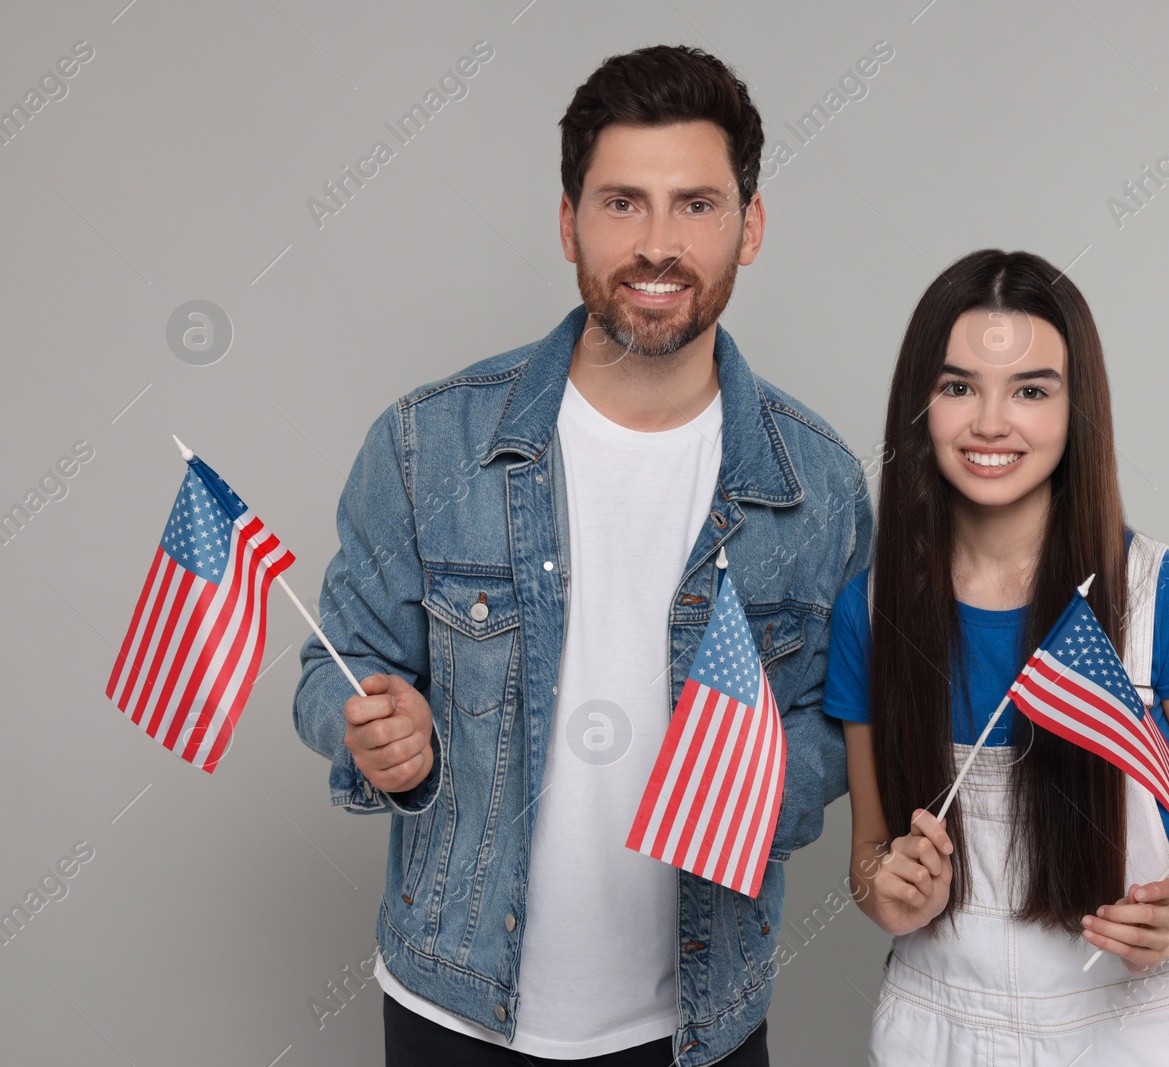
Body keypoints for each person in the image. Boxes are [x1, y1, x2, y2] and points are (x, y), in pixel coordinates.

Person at [292, 45, 872, 1067]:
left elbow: (844, 715)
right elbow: (326, 668)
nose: (657, 244)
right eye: (621, 204)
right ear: (568, 224)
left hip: (698, 1018)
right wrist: (371, 729)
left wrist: (759, 787)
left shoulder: (815, 480)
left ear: (751, 225)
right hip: (454, 1005)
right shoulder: (428, 444)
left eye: (696, 204)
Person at [823, 249, 1169, 1064]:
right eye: (959, 387)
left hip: (1140, 1024)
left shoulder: (1162, 597)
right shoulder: (873, 611)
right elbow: (867, 856)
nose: (992, 422)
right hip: (941, 1026)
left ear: (1076, 408)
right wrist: (887, 889)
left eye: (1031, 390)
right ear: (921, 404)